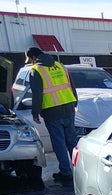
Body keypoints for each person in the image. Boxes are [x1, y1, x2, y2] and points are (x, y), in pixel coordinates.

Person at [25, 46, 78, 184]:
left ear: (33, 57)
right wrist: (75, 102)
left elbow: (37, 94)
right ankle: (79, 170)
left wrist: (35, 112)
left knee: (59, 143)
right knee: (72, 142)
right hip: (69, 107)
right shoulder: (60, 65)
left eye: (30, 60)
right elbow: (71, 86)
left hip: (52, 112)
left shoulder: (36, 70)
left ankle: (66, 172)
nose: (30, 62)